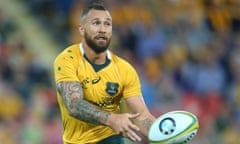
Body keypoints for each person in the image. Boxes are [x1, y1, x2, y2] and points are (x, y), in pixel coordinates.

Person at [53, 2, 156, 144]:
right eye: (96, 23)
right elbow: (74, 104)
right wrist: (112, 119)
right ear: (82, 30)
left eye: (107, 24)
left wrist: (163, 134)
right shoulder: (67, 59)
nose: (102, 29)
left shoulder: (124, 69)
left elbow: (142, 116)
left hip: (112, 138)